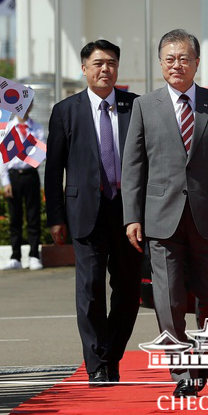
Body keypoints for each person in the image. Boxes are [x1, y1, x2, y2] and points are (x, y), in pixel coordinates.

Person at [123, 29, 208, 398]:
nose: (177, 65)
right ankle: (179, 366)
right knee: (169, 295)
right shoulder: (145, 105)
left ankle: (203, 359)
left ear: (196, 62)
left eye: (184, 58)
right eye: (169, 59)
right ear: (161, 63)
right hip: (161, 215)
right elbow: (134, 165)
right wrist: (133, 216)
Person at [43, 39, 142, 385]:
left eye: (112, 63)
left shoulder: (136, 107)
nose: (105, 69)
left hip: (129, 214)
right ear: (84, 69)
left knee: (129, 290)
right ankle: (97, 362)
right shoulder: (65, 111)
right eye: (98, 63)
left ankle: (111, 352)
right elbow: (53, 169)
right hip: (85, 211)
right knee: (89, 290)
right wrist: (55, 216)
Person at [1, 110, 45, 271]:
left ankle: (34, 255)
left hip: (30, 174)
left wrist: (23, 155)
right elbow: (2, 155)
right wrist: (5, 181)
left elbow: (40, 152)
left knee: (33, 216)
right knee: (15, 218)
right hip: (13, 176)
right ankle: (15, 256)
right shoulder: (8, 128)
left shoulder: (37, 128)